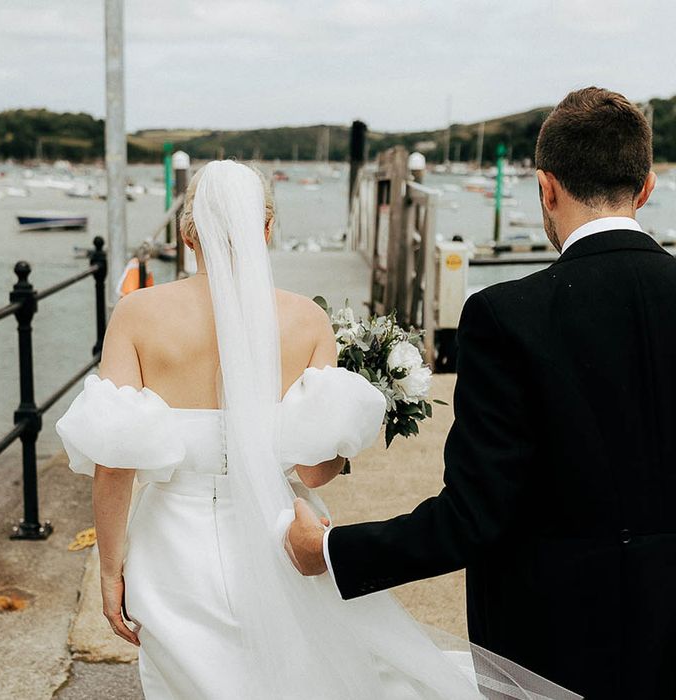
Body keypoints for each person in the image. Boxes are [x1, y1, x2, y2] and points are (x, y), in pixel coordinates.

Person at [57, 160, 575, 699]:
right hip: (278, 538)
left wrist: (112, 570)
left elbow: (113, 464)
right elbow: (315, 471)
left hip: (173, 554)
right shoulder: (306, 320)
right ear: (266, 229)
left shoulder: (138, 314)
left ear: (188, 233)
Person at [288, 87, 676, 699]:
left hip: (549, 648)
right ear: (647, 188)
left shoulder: (507, 315)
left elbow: (474, 517)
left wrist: (333, 551)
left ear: (545, 188)